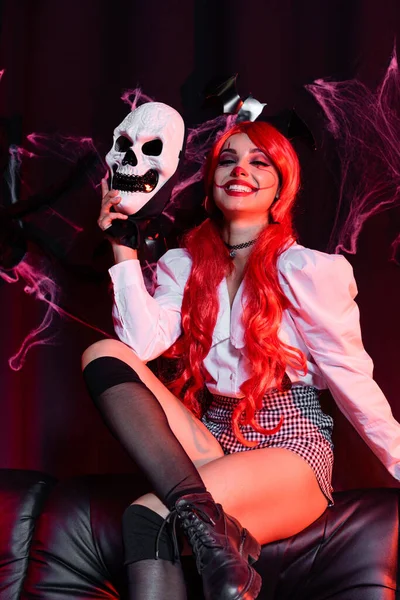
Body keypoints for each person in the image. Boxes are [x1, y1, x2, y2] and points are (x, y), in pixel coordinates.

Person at [82, 120, 400, 600]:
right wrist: (122, 250)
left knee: (147, 518)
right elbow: (138, 345)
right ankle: (219, 541)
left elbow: (352, 381)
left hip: (291, 447)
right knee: (101, 352)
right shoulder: (183, 265)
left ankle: (209, 537)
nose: (240, 170)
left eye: (259, 161)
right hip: (213, 440)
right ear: (211, 182)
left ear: (281, 186)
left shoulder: (310, 271)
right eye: (228, 160)